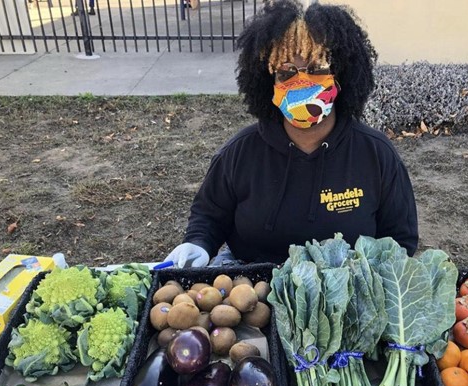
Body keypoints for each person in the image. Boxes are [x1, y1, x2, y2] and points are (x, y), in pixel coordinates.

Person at [163, 0, 418, 268]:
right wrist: (197, 244)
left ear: (341, 75)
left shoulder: (375, 154)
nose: (301, 81)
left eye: (317, 68)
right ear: (267, 80)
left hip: (345, 292)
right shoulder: (240, 152)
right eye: (286, 71)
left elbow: (400, 238)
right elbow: (209, 216)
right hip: (251, 289)